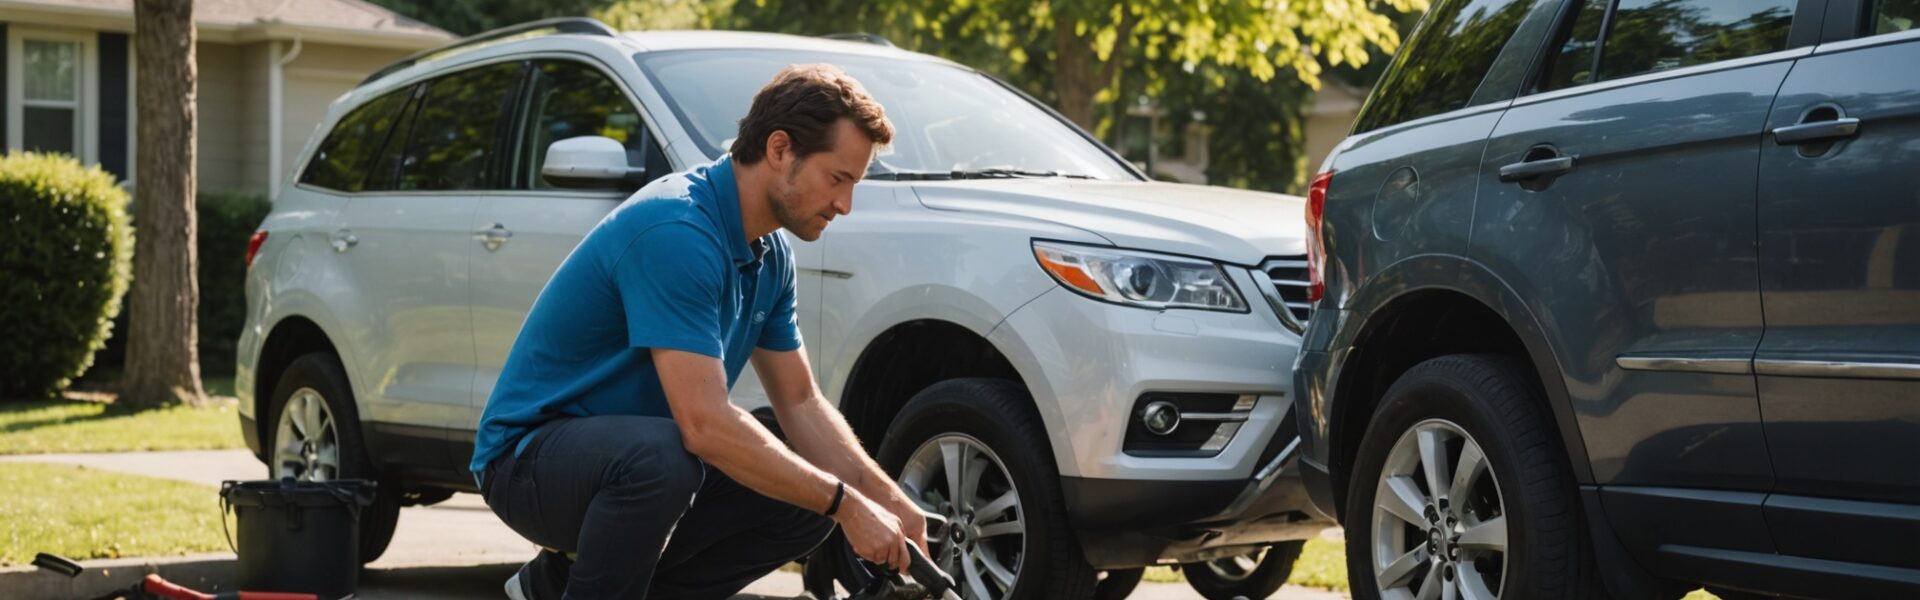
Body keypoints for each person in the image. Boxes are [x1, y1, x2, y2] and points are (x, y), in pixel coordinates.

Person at [470, 64, 925, 599]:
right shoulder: (679, 230)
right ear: (780, 150)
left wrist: (885, 500)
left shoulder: (770, 254)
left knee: (803, 493)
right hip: (527, 462)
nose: (845, 205)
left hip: (633, 460)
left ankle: (559, 586)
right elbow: (704, 425)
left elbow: (800, 403)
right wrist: (845, 503)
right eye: (837, 179)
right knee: (666, 458)